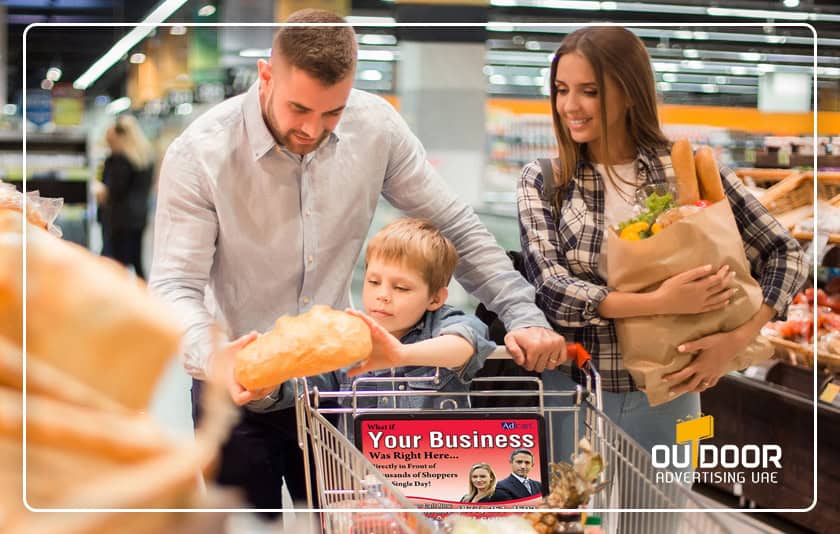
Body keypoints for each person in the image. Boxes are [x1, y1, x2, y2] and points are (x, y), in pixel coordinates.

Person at [149, 9, 566, 512]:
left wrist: (522, 313)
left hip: (338, 394)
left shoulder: (375, 128)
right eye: (298, 108)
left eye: (332, 113)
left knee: (351, 523)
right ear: (266, 74)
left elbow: (455, 225)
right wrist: (216, 358)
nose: (312, 129)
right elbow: (175, 286)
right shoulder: (200, 154)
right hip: (236, 393)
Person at [516, 26, 808, 464]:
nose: (570, 106)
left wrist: (738, 339)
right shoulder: (545, 180)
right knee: (566, 525)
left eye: (589, 91)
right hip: (569, 390)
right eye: (561, 90)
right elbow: (553, 291)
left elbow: (786, 253)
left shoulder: (686, 171)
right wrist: (660, 301)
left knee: (660, 522)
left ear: (629, 92)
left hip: (675, 394)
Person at [94, 114, 154, 277]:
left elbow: (114, 191)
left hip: (118, 219)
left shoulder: (119, 160)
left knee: (115, 266)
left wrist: (100, 190)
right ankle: (143, 298)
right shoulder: (145, 159)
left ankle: (119, 300)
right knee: (137, 261)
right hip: (139, 217)